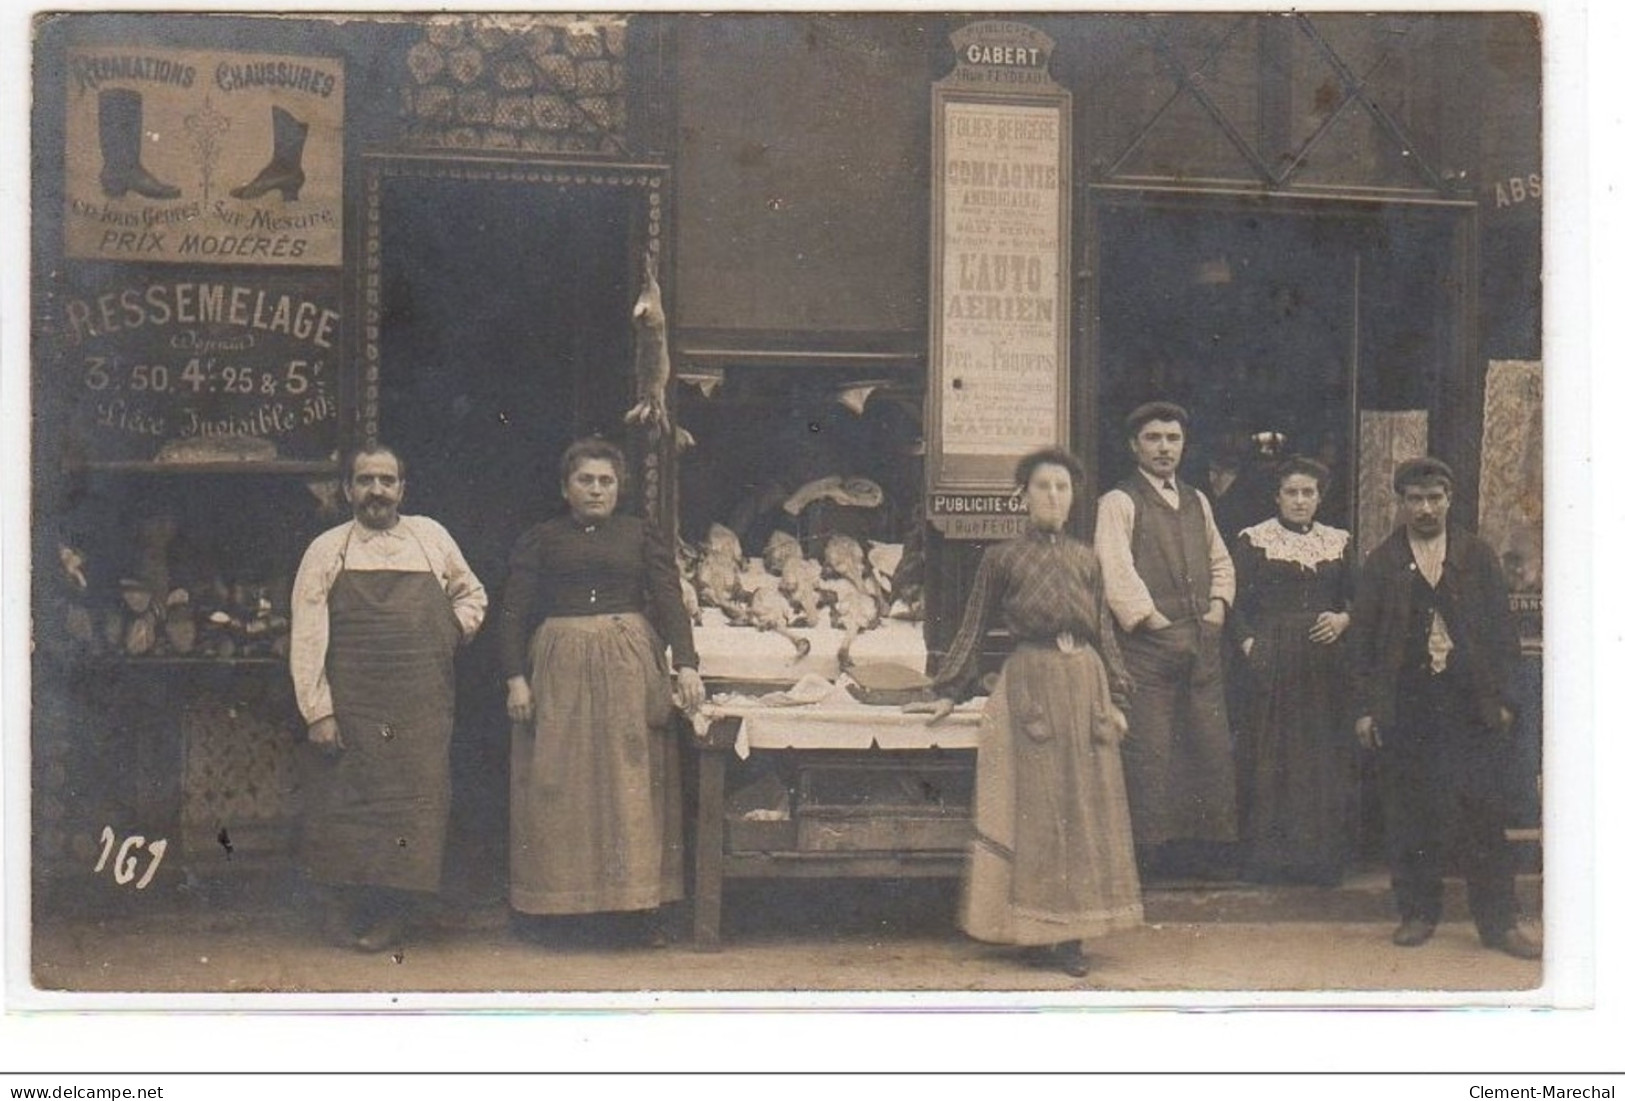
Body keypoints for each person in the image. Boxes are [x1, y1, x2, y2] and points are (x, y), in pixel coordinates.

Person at [910, 447, 1141, 978]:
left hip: (1085, 683)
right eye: (1043, 486)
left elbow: (1104, 632)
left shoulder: (1088, 559)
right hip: (1032, 684)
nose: (1053, 496)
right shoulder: (1002, 558)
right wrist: (950, 687)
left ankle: (1072, 936)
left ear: (1073, 497)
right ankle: (1036, 933)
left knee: (1084, 809)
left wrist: (1119, 698)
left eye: (1062, 487)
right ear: (1023, 496)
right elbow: (972, 625)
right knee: (1038, 811)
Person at [498, 438, 705, 942]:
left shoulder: (639, 535)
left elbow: (669, 600)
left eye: (606, 481)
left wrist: (689, 664)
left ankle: (635, 910)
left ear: (620, 488)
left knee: (630, 781)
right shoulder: (541, 539)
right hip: (560, 664)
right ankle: (557, 911)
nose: (596, 490)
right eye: (585, 480)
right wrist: (515, 678)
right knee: (559, 780)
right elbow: (512, 612)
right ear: (565, 488)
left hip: (628, 665)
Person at [290, 445, 488, 951]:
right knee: (347, 808)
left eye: (386, 480)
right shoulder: (326, 549)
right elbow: (308, 634)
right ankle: (347, 911)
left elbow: (473, 595)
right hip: (353, 704)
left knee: (414, 811)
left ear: (403, 488)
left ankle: (396, 915)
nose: (376, 491)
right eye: (365, 480)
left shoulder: (431, 538)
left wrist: (448, 631)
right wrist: (319, 711)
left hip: (420, 705)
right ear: (347, 490)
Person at [1349, 457, 1541, 959]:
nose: (1426, 508)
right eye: (1415, 498)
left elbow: (1502, 635)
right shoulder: (1382, 562)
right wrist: (1368, 710)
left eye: (1435, 497)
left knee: (1483, 812)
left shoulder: (1476, 556)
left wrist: (1501, 701)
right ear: (1402, 503)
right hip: (1407, 704)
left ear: (1449, 499)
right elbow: (1363, 644)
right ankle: (1417, 912)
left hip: (1469, 703)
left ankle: (1499, 924)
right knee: (1412, 813)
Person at [1094, 401, 1238, 877]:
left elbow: (1220, 560)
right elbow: (1115, 572)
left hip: (1202, 645)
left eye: (1172, 439)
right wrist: (1155, 622)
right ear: (1134, 445)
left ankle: (1202, 855)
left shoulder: (1198, 500)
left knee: (1207, 747)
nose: (1164, 448)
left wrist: (1217, 610)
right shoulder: (1119, 501)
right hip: (1149, 650)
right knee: (1151, 752)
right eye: (1153, 438)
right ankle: (1149, 860)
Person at [1232, 456, 1358, 885]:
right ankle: (1272, 862)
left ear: (1320, 497)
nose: (1301, 501)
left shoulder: (1338, 541)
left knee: (1319, 754)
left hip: (1324, 664)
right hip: (1274, 659)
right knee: (1273, 753)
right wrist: (1250, 644)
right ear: (1277, 497)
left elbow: (1355, 599)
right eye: (1292, 492)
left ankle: (1319, 862)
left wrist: (1343, 621)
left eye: (1309, 493)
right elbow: (1233, 604)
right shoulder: (1254, 541)